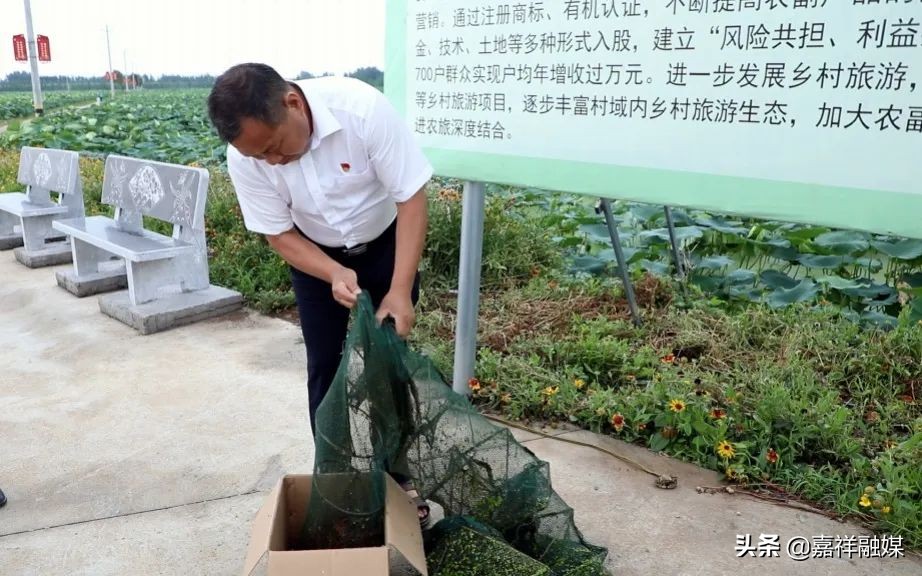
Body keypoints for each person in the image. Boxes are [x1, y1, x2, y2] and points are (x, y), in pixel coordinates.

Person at [207, 63, 432, 525]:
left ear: (292, 103)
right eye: (259, 156)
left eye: (274, 147)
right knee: (325, 367)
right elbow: (278, 232)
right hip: (313, 255)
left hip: (386, 244)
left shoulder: (361, 110)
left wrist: (399, 290)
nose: (271, 161)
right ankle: (337, 483)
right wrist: (331, 271)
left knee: (388, 364)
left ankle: (399, 478)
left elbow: (411, 198)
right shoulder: (245, 155)